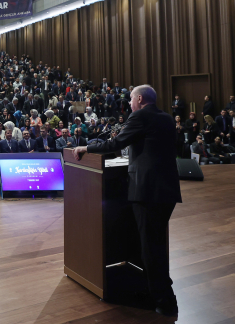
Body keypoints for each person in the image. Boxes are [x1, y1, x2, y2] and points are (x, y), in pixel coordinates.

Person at [74, 85, 181, 317]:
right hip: (167, 190)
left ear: (140, 99)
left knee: (150, 248)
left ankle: (165, 301)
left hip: (147, 191)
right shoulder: (166, 118)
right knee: (156, 242)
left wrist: (86, 147)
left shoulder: (139, 115)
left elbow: (115, 144)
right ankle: (163, 289)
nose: (129, 103)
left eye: (131, 99)